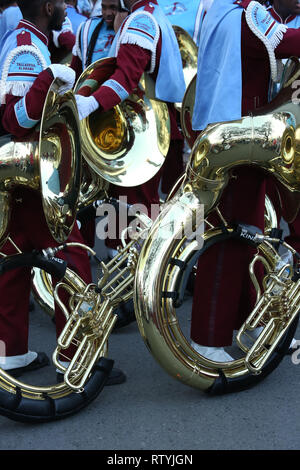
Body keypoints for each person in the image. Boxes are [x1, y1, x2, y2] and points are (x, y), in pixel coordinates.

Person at [0, 0, 125, 385]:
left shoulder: (32, 39)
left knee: (12, 261)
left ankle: (12, 354)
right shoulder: (25, 45)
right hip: (33, 177)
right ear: (49, 6)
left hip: (20, 177)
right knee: (73, 259)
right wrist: (47, 83)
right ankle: (77, 360)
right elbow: (15, 118)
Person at [190, 0, 300, 362]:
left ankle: (243, 324)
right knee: (228, 239)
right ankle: (208, 338)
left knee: (245, 237)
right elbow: (288, 42)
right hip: (238, 142)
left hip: (238, 136)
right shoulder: (245, 13)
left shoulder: (222, 11)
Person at [75, 0, 185, 261]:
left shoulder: (141, 20)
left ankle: (133, 272)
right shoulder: (149, 14)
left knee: (133, 210)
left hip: (146, 128)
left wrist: (90, 104)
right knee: (144, 208)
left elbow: (126, 78)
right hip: (156, 124)